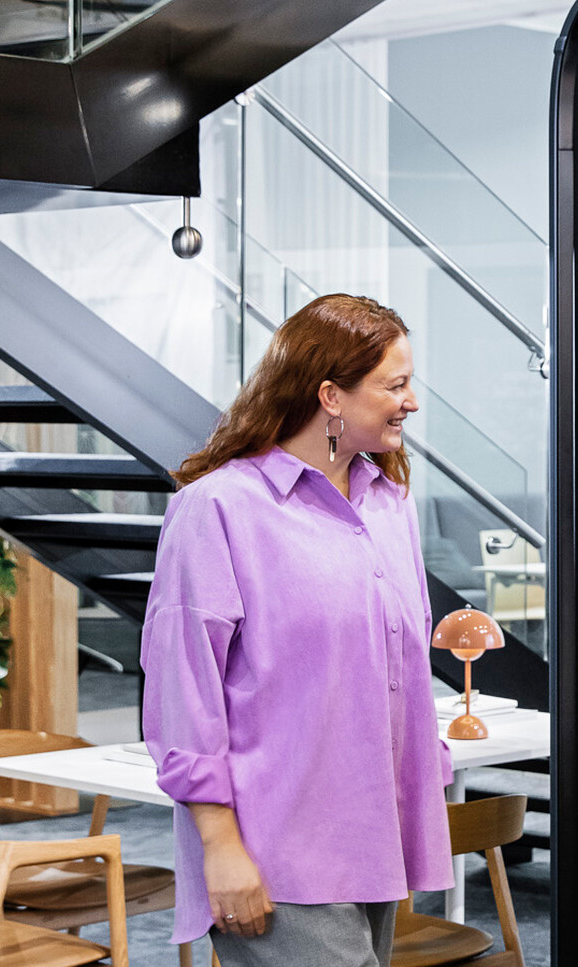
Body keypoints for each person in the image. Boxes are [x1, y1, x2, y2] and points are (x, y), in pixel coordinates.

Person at [142, 293, 453, 967]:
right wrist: (220, 849)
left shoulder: (388, 503)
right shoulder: (217, 509)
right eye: (395, 385)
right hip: (275, 854)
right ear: (330, 396)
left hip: (373, 842)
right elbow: (183, 699)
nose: (412, 401)